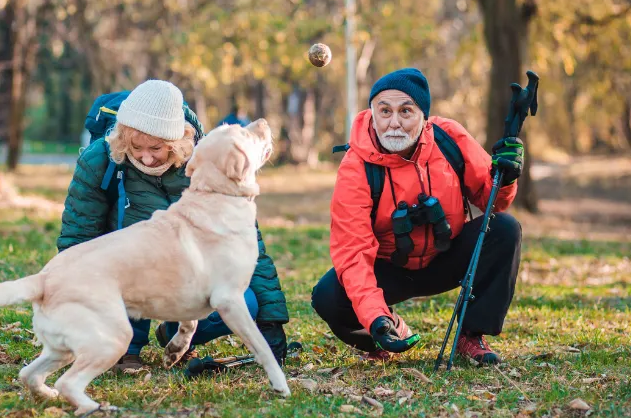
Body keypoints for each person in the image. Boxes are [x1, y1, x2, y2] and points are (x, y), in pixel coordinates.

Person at [57, 80, 289, 370]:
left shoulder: (209, 160)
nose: (145, 156)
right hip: (120, 276)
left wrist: (271, 319)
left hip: (186, 276)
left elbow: (244, 240)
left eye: (156, 147)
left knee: (247, 302)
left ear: (178, 141)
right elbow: (76, 239)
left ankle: (176, 334)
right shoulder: (99, 160)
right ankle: (125, 347)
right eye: (135, 146)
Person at [311, 68, 524, 365]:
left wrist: (507, 177)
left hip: (446, 257)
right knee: (327, 297)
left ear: (424, 116)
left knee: (504, 229)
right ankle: (383, 335)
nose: (394, 122)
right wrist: (376, 318)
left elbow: (493, 202)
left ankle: (471, 335)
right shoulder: (355, 167)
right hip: (388, 269)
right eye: (384, 111)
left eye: (406, 111)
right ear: (372, 113)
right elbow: (353, 251)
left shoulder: (449, 138)